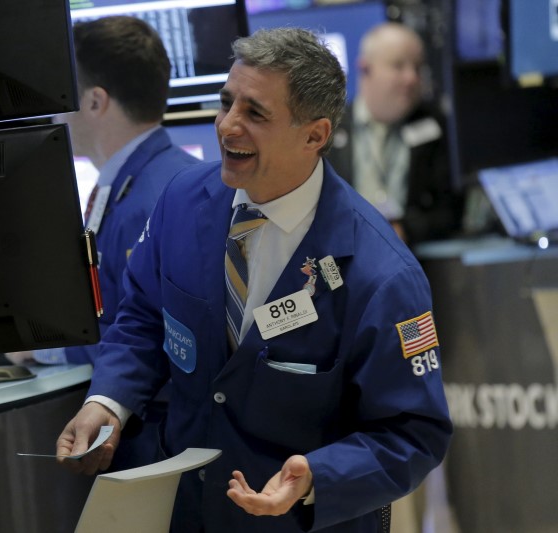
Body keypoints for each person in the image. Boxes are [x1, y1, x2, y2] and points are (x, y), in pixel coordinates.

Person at [56, 27, 452, 532]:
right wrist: (108, 401)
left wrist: (318, 476)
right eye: (227, 103)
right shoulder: (181, 202)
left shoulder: (382, 274)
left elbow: (414, 433)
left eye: (255, 113)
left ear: (315, 135)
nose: (227, 126)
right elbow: (141, 321)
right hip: (187, 515)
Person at [31, 16, 200, 366]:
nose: (53, 113)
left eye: (60, 94)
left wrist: (39, 350)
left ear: (95, 102)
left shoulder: (149, 204)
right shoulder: (150, 177)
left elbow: (150, 340)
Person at [327, 22, 462, 245]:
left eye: (417, 68)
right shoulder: (330, 129)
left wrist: (404, 230)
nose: (411, 78)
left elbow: (450, 212)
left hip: (412, 262)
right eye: (398, 66)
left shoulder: (434, 127)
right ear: (365, 69)